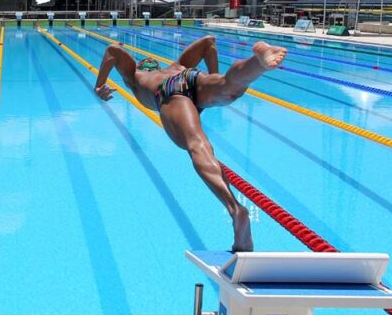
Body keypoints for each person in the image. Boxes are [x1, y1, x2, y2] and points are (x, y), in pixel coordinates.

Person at [93, 35, 287, 252]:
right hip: (191, 77)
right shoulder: (177, 65)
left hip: (169, 90)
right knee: (229, 86)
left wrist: (99, 86)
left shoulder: (135, 76)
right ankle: (257, 64)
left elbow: (113, 50)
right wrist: (213, 75)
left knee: (198, 146)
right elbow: (208, 42)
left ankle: (235, 209)